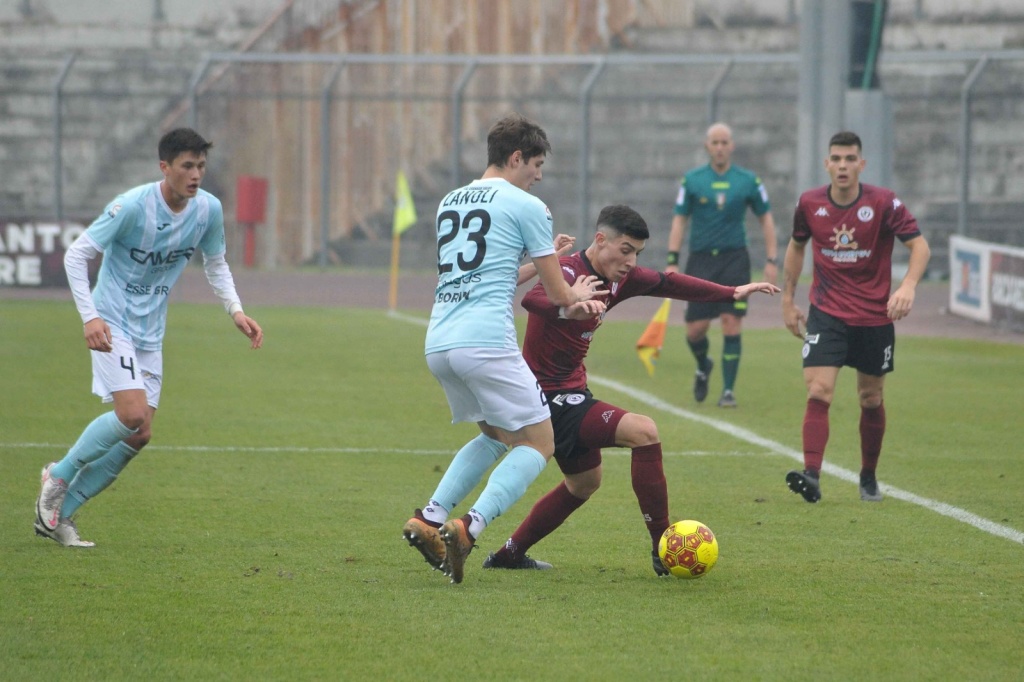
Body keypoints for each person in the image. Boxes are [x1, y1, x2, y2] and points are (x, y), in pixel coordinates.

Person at [482, 204, 779, 574]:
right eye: (625, 250)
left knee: (584, 483)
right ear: (600, 239)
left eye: (637, 252)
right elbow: (532, 299)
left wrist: (733, 290)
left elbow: (670, 283)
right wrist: (569, 301)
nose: (630, 261)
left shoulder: (621, 278)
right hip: (547, 397)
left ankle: (509, 554)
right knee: (644, 431)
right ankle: (662, 549)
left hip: (572, 390)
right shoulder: (569, 271)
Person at [402, 113, 607, 584]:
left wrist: (542, 264)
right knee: (540, 443)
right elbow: (561, 297)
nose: (538, 175)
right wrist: (581, 297)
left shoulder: (450, 200)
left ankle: (430, 518)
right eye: (535, 164)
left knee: (496, 437)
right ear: (516, 157)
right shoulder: (528, 205)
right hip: (485, 341)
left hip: (441, 340)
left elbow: (486, 278)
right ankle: (468, 529)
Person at [34, 128, 263, 547]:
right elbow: (76, 254)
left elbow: (216, 263)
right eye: (187, 166)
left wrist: (236, 310)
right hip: (112, 322)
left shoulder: (207, 210)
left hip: (150, 331)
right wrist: (90, 318)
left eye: (201, 166)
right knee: (132, 415)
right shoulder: (132, 206)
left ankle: (59, 516)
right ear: (165, 168)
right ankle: (59, 475)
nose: (196, 175)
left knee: (140, 435)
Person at [781, 131, 930, 504]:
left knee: (870, 397)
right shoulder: (809, 203)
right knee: (819, 389)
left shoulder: (883, 202)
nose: (843, 165)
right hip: (826, 313)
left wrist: (907, 286)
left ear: (861, 164)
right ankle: (811, 475)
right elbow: (796, 246)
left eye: (850, 159)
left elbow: (920, 246)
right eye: (836, 158)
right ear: (826, 164)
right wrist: (787, 299)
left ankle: (868, 477)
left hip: (873, 318)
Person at [665, 122, 778, 408]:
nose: (719, 147)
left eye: (724, 142)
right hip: (701, 260)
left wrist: (771, 259)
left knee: (731, 322)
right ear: (707, 146)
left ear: (732, 146)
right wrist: (672, 261)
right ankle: (704, 364)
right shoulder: (691, 181)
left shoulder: (748, 181)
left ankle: (728, 391)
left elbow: (766, 218)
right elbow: (680, 220)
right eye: (714, 142)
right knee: (695, 330)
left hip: (734, 259)